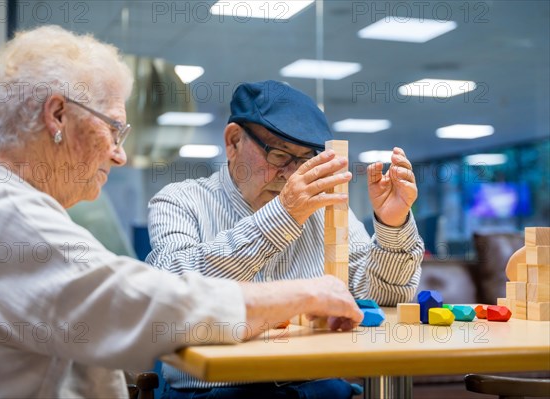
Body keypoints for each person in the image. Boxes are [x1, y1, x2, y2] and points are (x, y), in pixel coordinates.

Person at [0, 28, 364, 398]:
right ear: (57, 115)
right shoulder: (3, 215)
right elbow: (153, 306)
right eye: (113, 129)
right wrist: (308, 293)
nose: (119, 154)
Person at [146, 80, 424, 398]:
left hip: (314, 386)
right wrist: (284, 215)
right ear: (234, 141)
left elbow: (380, 296)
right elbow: (173, 292)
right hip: (218, 392)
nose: (292, 175)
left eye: (305, 160)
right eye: (279, 155)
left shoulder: (327, 208)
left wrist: (392, 224)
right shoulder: (180, 200)